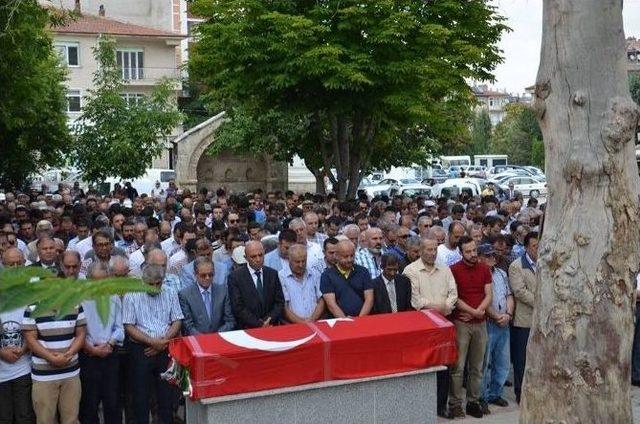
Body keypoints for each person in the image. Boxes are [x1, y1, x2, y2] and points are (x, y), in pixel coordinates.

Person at [403, 238, 457, 418]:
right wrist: (439, 307)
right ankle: (422, 408)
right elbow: (416, 300)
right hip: (423, 328)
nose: (432, 253)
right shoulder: (410, 271)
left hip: (444, 326)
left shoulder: (445, 269)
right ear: (420, 250)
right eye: (428, 249)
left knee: (445, 366)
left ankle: (441, 406)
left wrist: (445, 307)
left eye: (434, 249)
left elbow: (453, 294)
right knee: (423, 367)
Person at [123, 264, 183, 424]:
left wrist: (163, 342)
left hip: (166, 348)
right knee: (140, 396)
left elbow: (177, 320)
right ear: (143, 281)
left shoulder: (170, 292)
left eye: (159, 283)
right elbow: (129, 325)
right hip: (141, 350)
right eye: (152, 284)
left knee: (166, 394)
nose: (156, 287)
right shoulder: (131, 295)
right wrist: (152, 342)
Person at [22, 286, 87, 424]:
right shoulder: (32, 308)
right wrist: (51, 358)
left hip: (70, 373)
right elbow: (30, 339)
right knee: (45, 420)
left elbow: (81, 333)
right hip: (44, 376)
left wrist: (68, 354)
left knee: (71, 420)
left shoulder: (75, 303)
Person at [448, 236, 492, 419]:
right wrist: (474, 312)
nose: (473, 254)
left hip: (480, 323)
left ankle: (473, 401)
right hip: (461, 323)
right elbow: (454, 297)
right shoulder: (454, 270)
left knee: (477, 366)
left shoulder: (484, 268)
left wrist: (478, 312)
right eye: (468, 251)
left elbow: (489, 294)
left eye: (474, 250)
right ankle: (455, 404)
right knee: (458, 367)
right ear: (461, 252)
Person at [80, 261, 124, 424]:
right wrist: (92, 349)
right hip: (88, 356)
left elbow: (119, 328)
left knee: (112, 402)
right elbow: (78, 331)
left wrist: (110, 344)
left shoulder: (114, 298)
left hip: (110, 354)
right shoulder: (81, 299)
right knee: (89, 404)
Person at [0, 248, 35, 424]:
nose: (15, 268)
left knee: (25, 416)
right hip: (1, 370)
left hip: (25, 367)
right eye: (9, 264)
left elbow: (38, 326)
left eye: (18, 263)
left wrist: (25, 347)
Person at [478, 243, 513, 410]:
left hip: (503, 323)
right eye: (488, 255)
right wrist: (497, 316)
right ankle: (482, 397)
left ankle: (495, 393)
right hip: (488, 322)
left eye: (493, 255)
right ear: (480, 258)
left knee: (503, 361)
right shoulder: (479, 274)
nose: (492, 258)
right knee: (485, 362)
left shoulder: (501, 273)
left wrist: (508, 315)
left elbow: (509, 295)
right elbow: (482, 301)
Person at [227, 241, 285, 329]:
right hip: (248, 329)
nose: (258, 259)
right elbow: (238, 307)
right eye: (253, 256)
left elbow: (279, 302)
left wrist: (269, 319)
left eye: (260, 255)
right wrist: (259, 324)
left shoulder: (272, 274)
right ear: (245, 258)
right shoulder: (235, 277)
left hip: (271, 326)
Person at [509, 231, 538, 404]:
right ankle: (521, 392)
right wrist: (541, 303)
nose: (537, 249)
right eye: (534, 246)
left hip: (541, 320)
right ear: (526, 247)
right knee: (521, 360)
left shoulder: (545, 263)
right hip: (524, 319)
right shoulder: (516, 266)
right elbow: (519, 291)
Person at [178, 257, 235, 335]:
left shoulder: (223, 291)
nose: (207, 278)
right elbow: (187, 325)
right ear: (195, 274)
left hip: (219, 339)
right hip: (197, 341)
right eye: (203, 275)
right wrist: (204, 339)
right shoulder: (185, 295)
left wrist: (217, 335)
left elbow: (230, 320)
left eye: (210, 274)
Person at [320, 240, 374, 318]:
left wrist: (359, 319)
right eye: (345, 256)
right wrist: (346, 321)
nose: (349, 260)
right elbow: (331, 305)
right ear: (336, 256)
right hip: (338, 323)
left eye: (352, 256)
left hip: (362, 320)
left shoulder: (363, 271)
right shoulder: (327, 275)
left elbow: (369, 299)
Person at [278, 244, 325, 323]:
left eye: (303, 261)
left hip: (315, 322)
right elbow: (284, 307)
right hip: (292, 326)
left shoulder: (315, 274)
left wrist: (311, 320)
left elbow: (321, 300)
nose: (301, 265)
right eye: (297, 262)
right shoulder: (281, 277)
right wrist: (302, 323)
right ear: (289, 259)